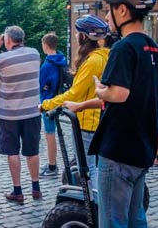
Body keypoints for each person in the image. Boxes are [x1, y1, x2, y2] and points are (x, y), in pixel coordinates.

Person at [89, 0, 158, 228]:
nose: (106, 16)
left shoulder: (123, 48)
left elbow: (119, 93)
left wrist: (100, 90)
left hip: (119, 148)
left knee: (113, 221)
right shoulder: (155, 49)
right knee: (136, 219)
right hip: (142, 147)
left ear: (122, 10)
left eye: (108, 9)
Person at [40, 16, 110, 189]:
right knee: (94, 165)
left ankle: (94, 207)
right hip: (97, 118)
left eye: (78, 32)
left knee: (88, 168)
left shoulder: (92, 61)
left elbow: (75, 94)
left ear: (84, 36)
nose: (76, 35)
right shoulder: (103, 56)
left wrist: (46, 104)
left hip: (89, 121)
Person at [0, 26, 42, 204]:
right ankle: (36, 187)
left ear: (7, 41)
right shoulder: (35, 54)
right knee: (33, 151)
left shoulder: (2, 59)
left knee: (12, 151)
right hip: (32, 111)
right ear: (22, 38)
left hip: (10, 115)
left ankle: (17, 190)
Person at [37, 33, 68, 178]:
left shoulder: (48, 64)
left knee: (50, 135)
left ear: (45, 45)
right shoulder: (62, 60)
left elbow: (39, 83)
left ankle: (52, 166)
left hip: (49, 102)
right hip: (59, 99)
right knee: (52, 134)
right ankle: (52, 163)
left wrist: (43, 87)